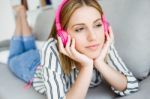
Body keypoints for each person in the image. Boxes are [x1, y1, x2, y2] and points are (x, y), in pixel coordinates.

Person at [8, 5, 40, 83]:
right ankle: (21, 14)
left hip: (36, 56)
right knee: (12, 57)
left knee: (29, 48)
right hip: (32, 63)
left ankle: (21, 14)